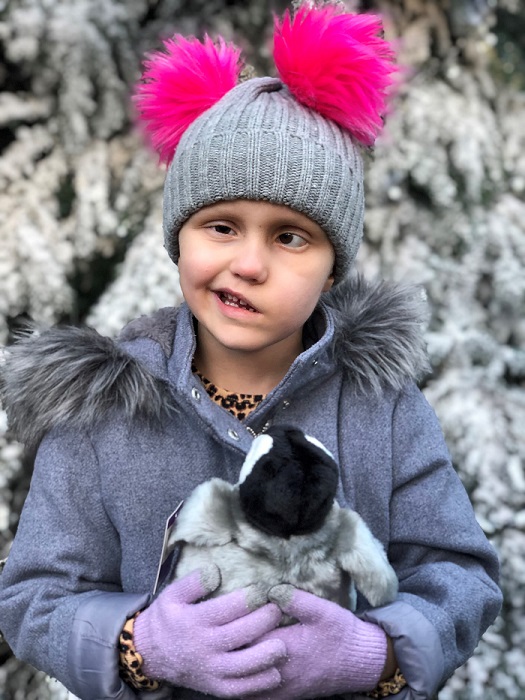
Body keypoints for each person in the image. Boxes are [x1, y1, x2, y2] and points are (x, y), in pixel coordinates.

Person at [0, 4, 502, 700]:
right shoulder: (103, 414)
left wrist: (374, 654)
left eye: (290, 237)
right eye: (221, 226)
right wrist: (139, 645)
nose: (248, 264)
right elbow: (36, 595)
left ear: (333, 268)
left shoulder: (382, 410)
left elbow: (459, 578)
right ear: (180, 240)